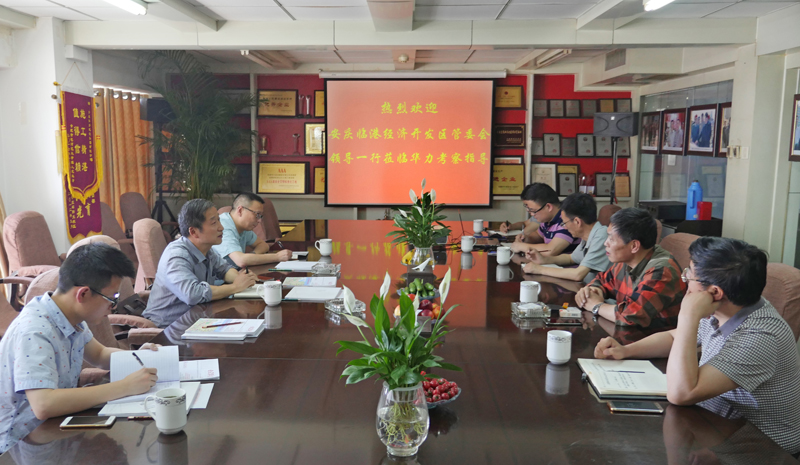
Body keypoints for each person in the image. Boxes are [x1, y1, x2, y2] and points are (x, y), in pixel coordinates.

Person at [594, 237, 800, 455]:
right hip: (716, 426)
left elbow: (681, 394)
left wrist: (688, 317)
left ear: (714, 292)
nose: (684, 281)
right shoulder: (728, 308)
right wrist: (626, 350)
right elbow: (674, 337)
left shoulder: (760, 336)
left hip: (761, 449)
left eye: (689, 276)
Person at [0, 243, 159, 453]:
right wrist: (126, 386)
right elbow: (43, 405)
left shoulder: (68, 315)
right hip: (21, 443)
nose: (112, 307)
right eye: (112, 299)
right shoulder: (35, 331)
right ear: (83, 294)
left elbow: (99, 354)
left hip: (57, 428)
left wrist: (138, 357)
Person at [142, 199, 257, 327]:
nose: (221, 227)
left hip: (198, 320)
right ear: (194, 232)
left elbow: (224, 269)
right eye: (214, 223)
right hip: (169, 328)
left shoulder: (206, 248)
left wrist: (242, 279)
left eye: (219, 220)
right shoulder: (176, 255)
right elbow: (192, 294)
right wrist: (235, 287)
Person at [575, 208, 685, 328]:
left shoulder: (662, 271)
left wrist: (596, 306)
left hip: (654, 335)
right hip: (628, 333)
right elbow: (602, 280)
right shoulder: (627, 260)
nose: (605, 243)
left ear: (634, 246)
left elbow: (631, 316)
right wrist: (592, 291)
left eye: (611, 239)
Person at [521, 193, 611, 283]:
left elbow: (578, 274)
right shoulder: (588, 235)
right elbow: (571, 258)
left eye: (564, 223)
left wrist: (539, 269)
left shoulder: (602, 235)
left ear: (577, 222)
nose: (564, 227)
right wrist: (544, 260)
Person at [212, 192, 291, 267]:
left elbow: (263, 245)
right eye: (257, 214)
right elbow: (241, 260)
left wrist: (252, 256)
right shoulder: (223, 227)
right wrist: (277, 257)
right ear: (240, 210)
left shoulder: (243, 226)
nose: (259, 220)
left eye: (260, 216)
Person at [507, 183, 581, 256]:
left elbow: (551, 250)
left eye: (533, 211)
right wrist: (525, 239)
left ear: (548, 207)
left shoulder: (566, 220)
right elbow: (539, 235)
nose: (532, 214)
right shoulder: (547, 219)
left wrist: (521, 247)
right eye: (529, 210)